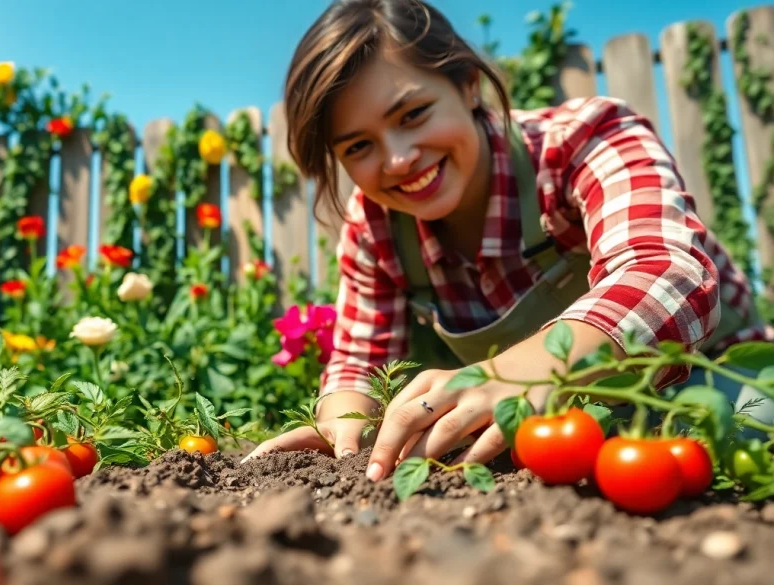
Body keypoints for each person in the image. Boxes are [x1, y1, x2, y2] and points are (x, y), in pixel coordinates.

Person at [242, 0, 774, 482]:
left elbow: (666, 273)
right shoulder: (376, 226)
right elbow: (360, 357)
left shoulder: (584, 140)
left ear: (468, 84)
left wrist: (515, 374)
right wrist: (344, 429)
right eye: (360, 146)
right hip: (558, 427)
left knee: (752, 427)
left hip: (711, 375)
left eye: (412, 114)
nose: (398, 158)